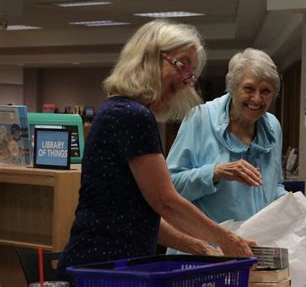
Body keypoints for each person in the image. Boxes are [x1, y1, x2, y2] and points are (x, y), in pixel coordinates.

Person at [57, 20, 254, 281]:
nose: (186, 80)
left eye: (191, 73)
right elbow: (166, 202)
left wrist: (204, 248)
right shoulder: (132, 115)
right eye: (182, 65)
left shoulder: (118, 110)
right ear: (150, 58)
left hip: (105, 265)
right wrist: (228, 241)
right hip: (103, 268)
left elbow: (142, 215)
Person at [166, 48, 287, 227]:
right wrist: (216, 172)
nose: (257, 99)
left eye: (266, 91)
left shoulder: (272, 127)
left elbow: (273, 186)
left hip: (252, 244)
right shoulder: (200, 118)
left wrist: (292, 205)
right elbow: (170, 186)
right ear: (232, 87)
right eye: (249, 88)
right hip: (204, 246)